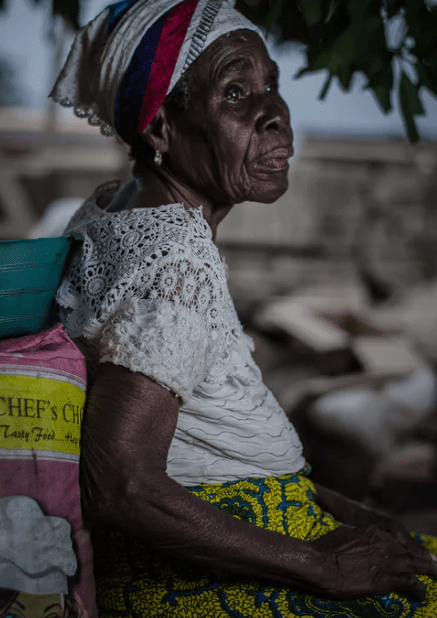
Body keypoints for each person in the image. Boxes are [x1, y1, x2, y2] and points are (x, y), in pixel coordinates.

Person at [51, 0, 437, 616]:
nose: (275, 115)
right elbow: (119, 481)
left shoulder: (107, 210)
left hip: (226, 539)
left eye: (272, 86)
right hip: (207, 571)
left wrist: (339, 506)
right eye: (235, 93)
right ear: (160, 129)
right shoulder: (177, 261)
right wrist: (323, 566)